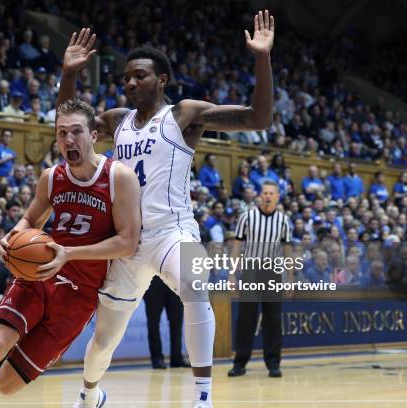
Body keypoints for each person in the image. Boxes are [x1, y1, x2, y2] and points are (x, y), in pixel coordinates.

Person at [57, 11, 274, 407]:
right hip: (126, 241)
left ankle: (203, 398)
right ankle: (90, 394)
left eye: (139, 75)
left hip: (174, 231)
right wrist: (68, 74)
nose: (130, 82)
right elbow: (67, 128)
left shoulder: (183, 115)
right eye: (125, 77)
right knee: (105, 336)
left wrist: (262, 56)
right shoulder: (115, 120)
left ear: (162, 81)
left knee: (195, 281)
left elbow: (259, 118)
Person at [0, 99, 140, 408]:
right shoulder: (51, 177)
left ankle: (95, 397)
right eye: (62, 133)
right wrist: (15, 232)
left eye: (76, 131)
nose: (68, 140)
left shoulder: (119, 178)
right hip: (38, 273)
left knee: (7, 384)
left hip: (79, 293)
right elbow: (31, 219)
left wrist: (70, 254)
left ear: (93, 135)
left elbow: (128, 243)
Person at [228, 180, 292, 379]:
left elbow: (287, 251)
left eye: (271, 193)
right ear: (259, 195)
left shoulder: (283, 221)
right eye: (265, 192)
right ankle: (240, 363)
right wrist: (231, 274)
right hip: (250, 272)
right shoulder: (247, 217)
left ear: (277, 197)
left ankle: (273, 364)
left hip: (272, 272)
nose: (268, 196)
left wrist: (290, 277)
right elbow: (237, 248)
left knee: (273, 320)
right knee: (246, 320)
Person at [143, 276, 188, 369]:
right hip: (154, 280)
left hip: (176, 279)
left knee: (177, 322)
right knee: (153, 322)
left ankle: (177, 358)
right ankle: (157, 358)